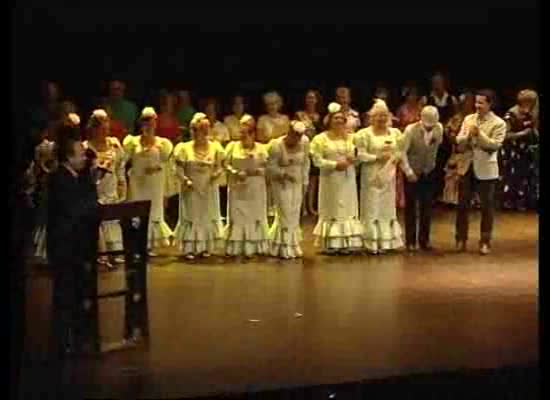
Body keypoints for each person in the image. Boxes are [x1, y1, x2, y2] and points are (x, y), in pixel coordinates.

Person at [47, 128, 99, 358]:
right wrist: (91, 189)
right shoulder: (59, 178)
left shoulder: (79, 177)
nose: (84, 157)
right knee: (65, 293)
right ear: (68, 157)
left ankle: (80, 338)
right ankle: (62, 341)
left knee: (79, 291)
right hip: (65, 247)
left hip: (79, 247)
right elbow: (77, 209)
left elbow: (89, 203)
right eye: (80, 154)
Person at [454, 89, 506, 255]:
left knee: (487, 207)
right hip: (467, 166)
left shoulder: (499, 123)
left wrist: (479, 134)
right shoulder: (469, 119)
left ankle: (485, 241)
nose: (477, 106)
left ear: (490, 104)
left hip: (486, 169)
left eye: (481, 103)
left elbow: (495, 145)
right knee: (462, 205)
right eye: (476, 102)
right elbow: (459, 139)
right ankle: (461, 239)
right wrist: (467, 136)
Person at [310, 102, 363, 254]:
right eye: (336, 119)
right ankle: (332, 242)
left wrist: (354, 159)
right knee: (332, 207)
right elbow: (317, 160)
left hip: (348, 178)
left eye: (342, 119)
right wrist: (334, 164)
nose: (339, 121)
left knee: (348, 207)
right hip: (330, 179)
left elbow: (360, 155)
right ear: (329, 121)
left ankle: (348, 241)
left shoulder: (352, 138)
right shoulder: (321, 139)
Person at [173, 113, 226, 259]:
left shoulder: (215, 148)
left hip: (208, 186)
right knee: (192, 215)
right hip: (191, 187)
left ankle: (205, 247)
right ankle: (190, 247)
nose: (196, 133)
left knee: (207, 215)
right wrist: (185, 180)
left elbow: (222, 165)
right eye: (194, 130)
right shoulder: (184, 148)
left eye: (200, 130)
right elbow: (177, 169)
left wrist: (217, 173)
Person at [355, 100, 404, 254]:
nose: (381, 119)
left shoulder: (395, 133)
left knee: (387, 207)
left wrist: (395, 157)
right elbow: (360, 156)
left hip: (389, 176)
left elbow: (400, 151)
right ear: (372, 117)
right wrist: (377, 157)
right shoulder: (363, 134)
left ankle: (386, 241)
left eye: (384, 115)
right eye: (378, 116)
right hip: (371, 176)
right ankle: (371, 242)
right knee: (372, 206)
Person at [123, 107, 174, 257]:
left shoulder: (163, 144)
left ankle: (149, 245)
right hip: (138, 183)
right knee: (137, 213)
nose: (148, 124)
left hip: (154, 184)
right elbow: (124, 161)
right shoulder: (132, 142)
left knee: (153, 213)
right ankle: (136, 246)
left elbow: (166, 163)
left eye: (151, 120)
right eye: (145, 120)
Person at [83, 109, 127, 269]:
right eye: (101, 127)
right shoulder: (86, 147)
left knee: (112, 220)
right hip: (95, 189)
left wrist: (122, 183)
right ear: (93, 128)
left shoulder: (114, 143)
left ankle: (114, 252)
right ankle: (100, 254)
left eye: (106, 125)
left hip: (112, 188)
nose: (105, 130)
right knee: (98, 221)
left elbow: (120, 166)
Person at [224, 115, 270, 257]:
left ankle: (254, 246)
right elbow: (225, 164)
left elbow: (268, 167)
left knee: (254, 214)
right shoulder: (232, 147)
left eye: (245, 134)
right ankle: (236, 247)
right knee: (237, 215)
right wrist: (235, 172)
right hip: (238, 186)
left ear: (253, 134)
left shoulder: (261, 149)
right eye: (241, 134)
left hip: (255, 187)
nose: (242, 137)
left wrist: (256, 171)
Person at [400, 106, 444, 252]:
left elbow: (436, 149)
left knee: (427, 208)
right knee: (411, 208)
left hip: (428, 172)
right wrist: (408, 172)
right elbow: (402, 152)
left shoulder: (439, 128)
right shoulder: (410, 130)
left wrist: (431, 167)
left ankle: (424, 241)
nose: (430, 127)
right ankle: (410, 242)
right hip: (413, 172)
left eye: (432, 124)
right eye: (427, 125)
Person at [267, 121, 310, 259]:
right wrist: (284, 174)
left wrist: (305, 181)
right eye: (294, 135)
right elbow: (270, 167)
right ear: (289, 132)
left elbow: (305, 163)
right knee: (284, 212)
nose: (297, 138)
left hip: (297, 183)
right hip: (281, 183)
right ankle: (284, 247)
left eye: (299, 136)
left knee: (293, 213)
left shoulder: (304, 142)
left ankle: (292, 244)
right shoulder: (276, 145)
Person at [500, 89, 539, 210]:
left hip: (528, 151)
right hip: (514, 151)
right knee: (513, 176)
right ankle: (510, 202)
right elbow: (504, 135)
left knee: (528, 176)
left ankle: (526, 201)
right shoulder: (511, 113)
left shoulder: (532, 113)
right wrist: (522, 134)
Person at [441, 91, 476, 205]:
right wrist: (455, 140)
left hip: (473, 153)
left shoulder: (476, 118)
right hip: (458, 152)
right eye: (466, 102)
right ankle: (451, 200)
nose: (468, 104)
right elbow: (448, 132)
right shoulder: (456, 118)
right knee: (453, 176)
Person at [295, 89, 324, 216]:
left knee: (313, 180)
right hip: (302, 148)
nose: (310, 100)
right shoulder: (299, 115)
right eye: (308, 98)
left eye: (313, 98)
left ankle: (311, 206)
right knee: (302, 179)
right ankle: (301, 207)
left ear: (317, 100)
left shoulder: (321, 115)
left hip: (315, 149)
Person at [395, 85, 423, 209]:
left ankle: (418, 197)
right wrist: (408, 128)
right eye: (410, 94)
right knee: (404, 167)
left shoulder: (420, 108)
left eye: (414, 94)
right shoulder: (402, 109)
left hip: (419, 142)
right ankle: (402, 199)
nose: (412, 97)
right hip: (405, 140)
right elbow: (397, 126)